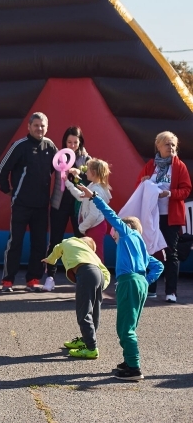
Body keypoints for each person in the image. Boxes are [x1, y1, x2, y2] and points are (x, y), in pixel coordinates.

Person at [77, 184, 164, 380]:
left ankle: (134, 368)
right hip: (139, 282)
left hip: (130, 282)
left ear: (126, 228)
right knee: (128, 325)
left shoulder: (127, 234)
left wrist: (94, 197)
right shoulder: (141, 247)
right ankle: (129, 361)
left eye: (114, 232)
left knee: (125, 328)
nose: (112, 234)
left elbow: (110, 215)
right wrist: (145, 281)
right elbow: (158, 266)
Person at [0, 112, 58, 292]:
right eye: (36, 125)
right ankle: (8, 281)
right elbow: (2, 169)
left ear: (47, 127)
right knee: (15, 242)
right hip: (21, 204)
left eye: (43, 126)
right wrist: (7, 190)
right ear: (29, 127)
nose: (39, 129)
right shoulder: (19, 146)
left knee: (39, 243)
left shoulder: (50, 146)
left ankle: (33, 279)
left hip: (41, 205)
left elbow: (62, 167)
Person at [135, 131, 191, 303]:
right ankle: (150, 289)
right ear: (158, 146)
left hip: (170, 217)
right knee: (149, 251)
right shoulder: (151, 165)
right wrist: (143, 181)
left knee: (171, 253)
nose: (171, 147)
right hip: (152, 216)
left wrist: (169, 194)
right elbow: (139, 186)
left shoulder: (179, 166)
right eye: (167, 144)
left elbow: (186, 189)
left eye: (173, 144)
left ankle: (171, 291)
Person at [42, 236, 110, 359]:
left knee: (83, 311)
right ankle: (86, 339)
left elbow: (57, 248)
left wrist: (50, 260)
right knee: (94, 311)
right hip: (98, 275)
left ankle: (91, 348)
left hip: (85, 273)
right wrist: (101, 285)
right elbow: (105, 271)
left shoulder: (68, 241)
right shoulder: (92, 256)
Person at [46, 126, 90, 291]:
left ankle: (82, 276)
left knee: (81, 240)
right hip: (59, 203)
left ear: (80, 143)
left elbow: (93, 180)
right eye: (69, 142)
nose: (72, 145)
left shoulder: (86, 159)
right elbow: (46, 172)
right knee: (55, 240)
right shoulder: (58, 156)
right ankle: (50, 276)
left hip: (79, 206)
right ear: (64, 141)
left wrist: (80, 174)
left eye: (75, 142)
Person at [64, 159, 112, 262]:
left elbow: (93, 215)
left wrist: (81, 228)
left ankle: (101, 278)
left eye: (88, 170)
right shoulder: (93, 186)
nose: (86, 172)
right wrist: (68, 183)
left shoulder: (95, 189)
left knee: (96, 257)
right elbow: (81, 196)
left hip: (96, 227)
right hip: (93, 226)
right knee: (93, 256)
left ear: (93, 173)